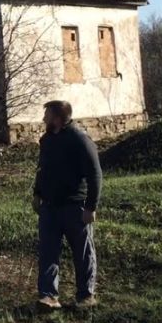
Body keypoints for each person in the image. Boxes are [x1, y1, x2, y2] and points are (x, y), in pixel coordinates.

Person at [32, 100, 102, 310]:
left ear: (57, 118)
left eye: (47, 115)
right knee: (48, 251)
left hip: (75, 206)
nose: (43, 119)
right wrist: (37, 193)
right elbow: (42, 169)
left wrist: (91, 207)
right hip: (50, 206)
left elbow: (95, 174)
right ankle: (49, 296)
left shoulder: (80, 140)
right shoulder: (46, 140)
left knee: (82, 252)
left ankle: (85, 295)